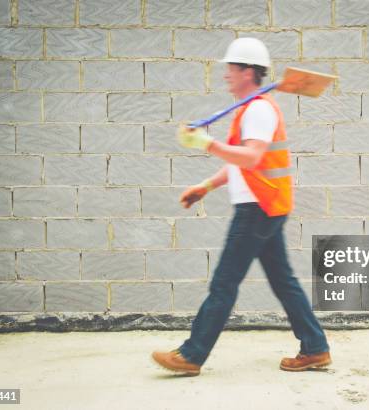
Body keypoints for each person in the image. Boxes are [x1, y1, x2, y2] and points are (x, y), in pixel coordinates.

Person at [151, 37, 331, 376]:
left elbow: (251, 158)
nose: (226, 74)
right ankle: (316, 348)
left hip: (257, 208)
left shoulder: (259, 110)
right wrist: (205, 186)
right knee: (283, 281)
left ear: (248, 71)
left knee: (224, 283)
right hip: (268, 206)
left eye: (231, 68)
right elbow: (239, 163)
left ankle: (192, 355)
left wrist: (206, 143)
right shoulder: (251, 109)